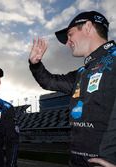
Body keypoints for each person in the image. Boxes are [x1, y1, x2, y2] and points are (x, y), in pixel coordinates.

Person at [29, 11, 116, 167]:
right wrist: (35, 64)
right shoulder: (83, 72)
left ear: (88, 27)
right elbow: (49, 81)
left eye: (70, 34)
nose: (67, 42)